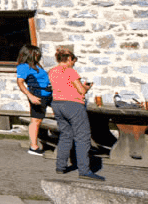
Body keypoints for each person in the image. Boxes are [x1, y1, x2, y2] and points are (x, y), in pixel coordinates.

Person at [49, 45, 102, 180]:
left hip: (57, 104)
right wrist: (87, 87)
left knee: (65, 135)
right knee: (82, 136)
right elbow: (81, 90)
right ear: (68, 59)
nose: (74, 63)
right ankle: (84, 170)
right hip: (73, 105)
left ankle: (60, 166)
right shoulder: (70, 71)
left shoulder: (52, 71)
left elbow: (62, 86)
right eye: (73, 60)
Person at [15, 44, 51, 156]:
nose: (38, 55)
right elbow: (20, 82)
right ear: (29, 54)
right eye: (36, 54)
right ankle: (33, 147)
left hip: (48, 93)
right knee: (36, 120)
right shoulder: (23, 67)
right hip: (37, 94)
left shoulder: (37, 65)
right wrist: (30, 96)